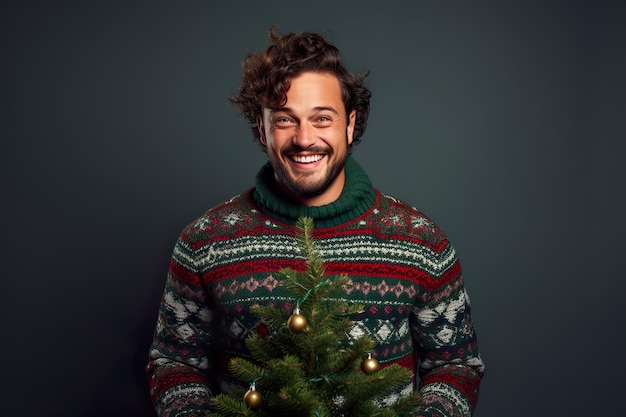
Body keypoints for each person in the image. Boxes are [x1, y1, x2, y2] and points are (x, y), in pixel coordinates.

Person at [146, 27, 485, 417]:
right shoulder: (206, 241)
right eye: (285, 120)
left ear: (350, 124)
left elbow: (456, 365)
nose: (304, 138)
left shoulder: (420, 242)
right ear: (262, 127)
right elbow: (174, 363)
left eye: (322, 118)